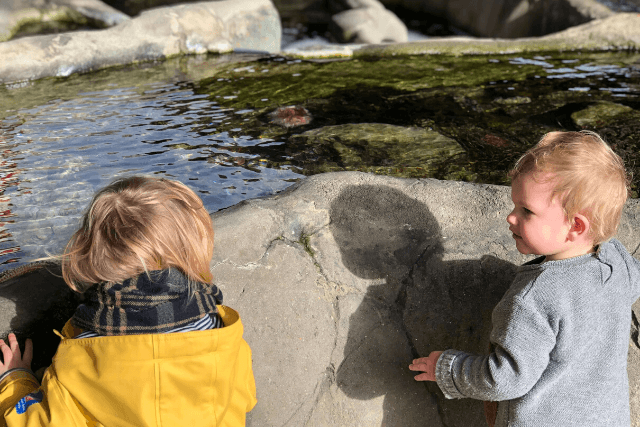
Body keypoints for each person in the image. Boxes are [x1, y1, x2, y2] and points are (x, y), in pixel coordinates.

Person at [409, 130, 639, 426]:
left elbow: (503, 379)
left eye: (526, 211)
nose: (510, 217)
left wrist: (450, 368)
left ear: (576, 226)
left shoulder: (533, 297)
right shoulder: (616, 260)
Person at [0, 176, 256, 426]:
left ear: (88, 258)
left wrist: (15, 380)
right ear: (194, 249)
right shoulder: (224, 338)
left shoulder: (81, 361)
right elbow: (245, 398)